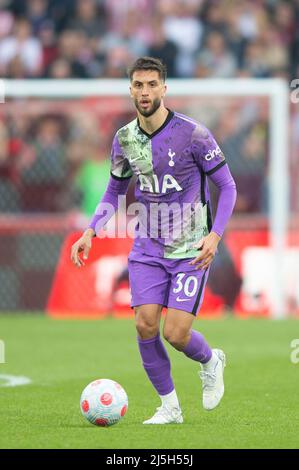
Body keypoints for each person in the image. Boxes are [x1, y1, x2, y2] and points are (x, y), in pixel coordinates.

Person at [71, 57, 237, 424]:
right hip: (147, 246)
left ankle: (212, 360)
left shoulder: (193, 134)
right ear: (130, 90)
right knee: (145, 324)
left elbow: (227, 186)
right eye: (138, 85)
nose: (144, 92)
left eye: (151, 85)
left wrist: (215, 235)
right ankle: (170, 408)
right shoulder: (125, 139)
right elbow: (114, 187)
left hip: (191, 248)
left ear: (164, 88)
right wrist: (91, 231)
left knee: (176, 333)